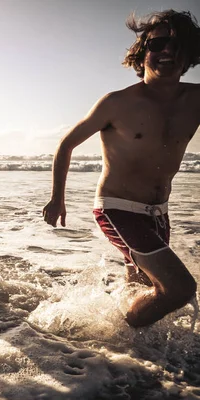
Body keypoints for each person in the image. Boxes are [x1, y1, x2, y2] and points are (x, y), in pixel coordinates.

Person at [43, 10, 200, 328]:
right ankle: (121, 327)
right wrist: (57, 198)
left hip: (159, 211)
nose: (168, 50)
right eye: (159, 43)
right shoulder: (117, 103)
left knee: (144, 287)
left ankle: (126, 352)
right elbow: (66, 145)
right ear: (143, 54)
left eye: (178, 43)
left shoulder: (195, 99)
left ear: (189, 55)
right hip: (118, 209)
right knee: (179, 288)